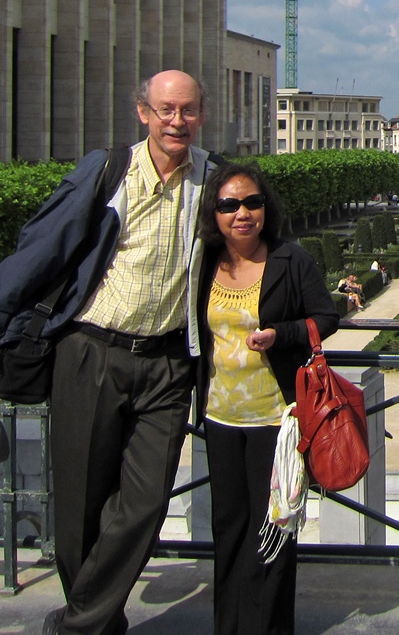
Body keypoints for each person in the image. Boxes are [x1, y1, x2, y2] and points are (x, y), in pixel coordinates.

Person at [0, 70, 216, 635]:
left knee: (146, 504)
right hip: (90, 352)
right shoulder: (105, 171)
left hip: (170, 363)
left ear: (201, 115)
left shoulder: (213, 180)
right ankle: (97, 621)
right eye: (166, 110)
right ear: (142, 113)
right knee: (79, 506)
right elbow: (38, 251)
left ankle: (77, 625)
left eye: (188, 110)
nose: (177, 121)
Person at [197, 162, 339, 635]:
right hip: (219, 418)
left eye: (253, 203)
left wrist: (282, 334)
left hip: (277, 420)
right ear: (214, 212)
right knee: (229, 529)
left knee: (273, 531)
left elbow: (326, 317)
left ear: (266, 208)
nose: (242, 213)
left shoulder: (289, 259)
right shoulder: (202, 264)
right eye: (230, 204)